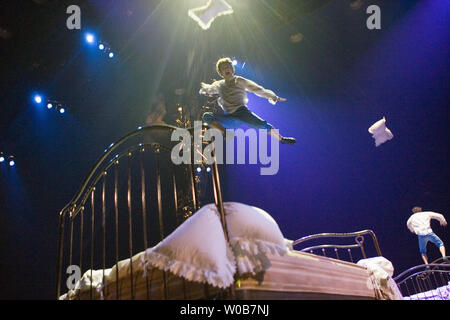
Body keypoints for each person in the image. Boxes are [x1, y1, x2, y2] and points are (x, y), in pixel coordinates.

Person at [199, 57, 296, 145]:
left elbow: (257, 89)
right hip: (230, 118)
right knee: (207, 116)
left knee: (262, 125)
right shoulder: (219, 85)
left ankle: (281, 139)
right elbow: (209, 89)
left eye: (228, 67)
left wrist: (273, 96)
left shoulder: (239, 80)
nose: (226, 69)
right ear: (221, 72)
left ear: (232, 69)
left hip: (242, 113)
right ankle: (226, 133)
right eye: (224, 68)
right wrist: (203, 89)